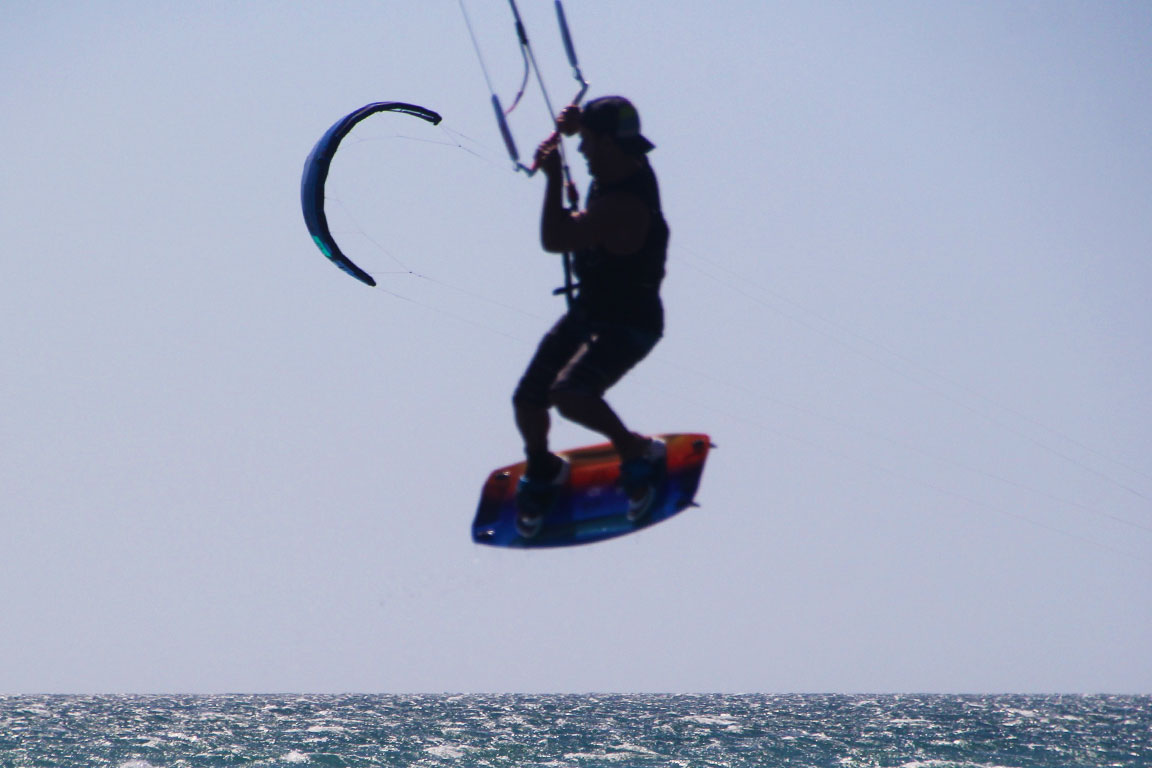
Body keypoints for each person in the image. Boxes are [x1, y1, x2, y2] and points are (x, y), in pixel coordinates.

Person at [511, 96, 669, 537]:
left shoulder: (624, 205)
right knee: (527, 400)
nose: (581, 152)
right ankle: (543, 468)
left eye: (587, 144)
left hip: (630, 322)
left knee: (570, 395)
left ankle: (636, 452)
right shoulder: (621, 161)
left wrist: (552, 179)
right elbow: (598, 131)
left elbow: (554, 238)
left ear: (608, 144)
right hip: (591, 311)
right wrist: (577, 124)